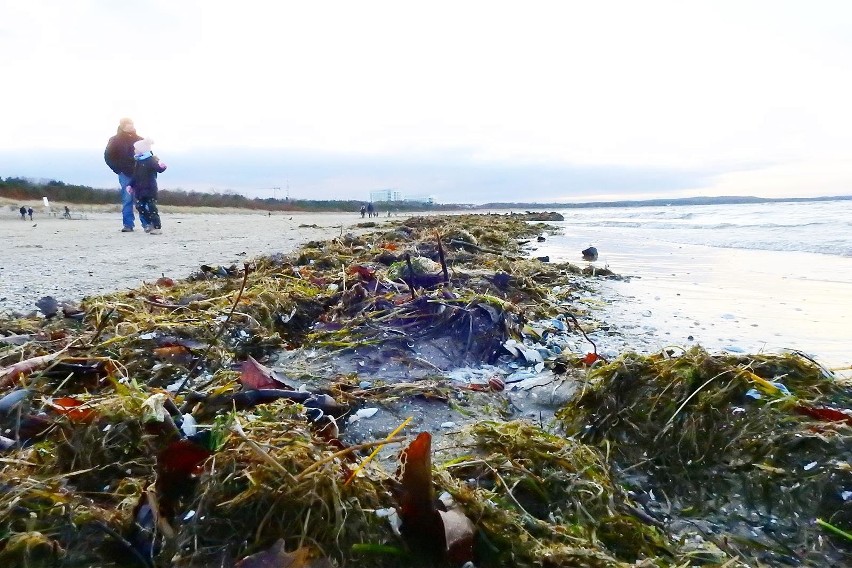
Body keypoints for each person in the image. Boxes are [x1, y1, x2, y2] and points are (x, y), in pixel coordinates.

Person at [104, 117, 144, 232]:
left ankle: (147, 223)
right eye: (127, 124)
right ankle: (128, 224)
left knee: (141, 199)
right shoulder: (115, 140)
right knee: (127, 199)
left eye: (131, 123)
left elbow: (148, 154)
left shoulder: (140, 140)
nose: (130, 126)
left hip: (140, 173)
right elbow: (108, 156)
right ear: (122, 126)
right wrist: (117, 169)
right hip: (124, 173)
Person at [127, 138, 167, 235]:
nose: (134, 150)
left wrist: (162, 166)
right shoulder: (138, 161)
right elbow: (135, 175)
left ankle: (157, 227)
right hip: (139, 189)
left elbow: (158, 169)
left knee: (152, 207)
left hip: (150, 188)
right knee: (139, 206)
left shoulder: (150, 160)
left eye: (136, 149)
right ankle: (149, 223)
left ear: (142, 149)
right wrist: (130, 185)